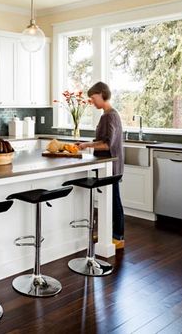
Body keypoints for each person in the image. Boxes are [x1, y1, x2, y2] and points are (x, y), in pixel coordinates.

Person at [77, 82, 125, 249]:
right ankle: (111, 234)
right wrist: (86, 144)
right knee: (111, 199)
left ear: (102, 94)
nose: (92, 101)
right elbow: (104, 142)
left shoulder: (109, 116)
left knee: (113, 200)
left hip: (109, 165)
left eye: (93, 98)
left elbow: (106, 145)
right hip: (111, 164)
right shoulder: (111, 114)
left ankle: (117, 237)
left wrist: (87, 146)